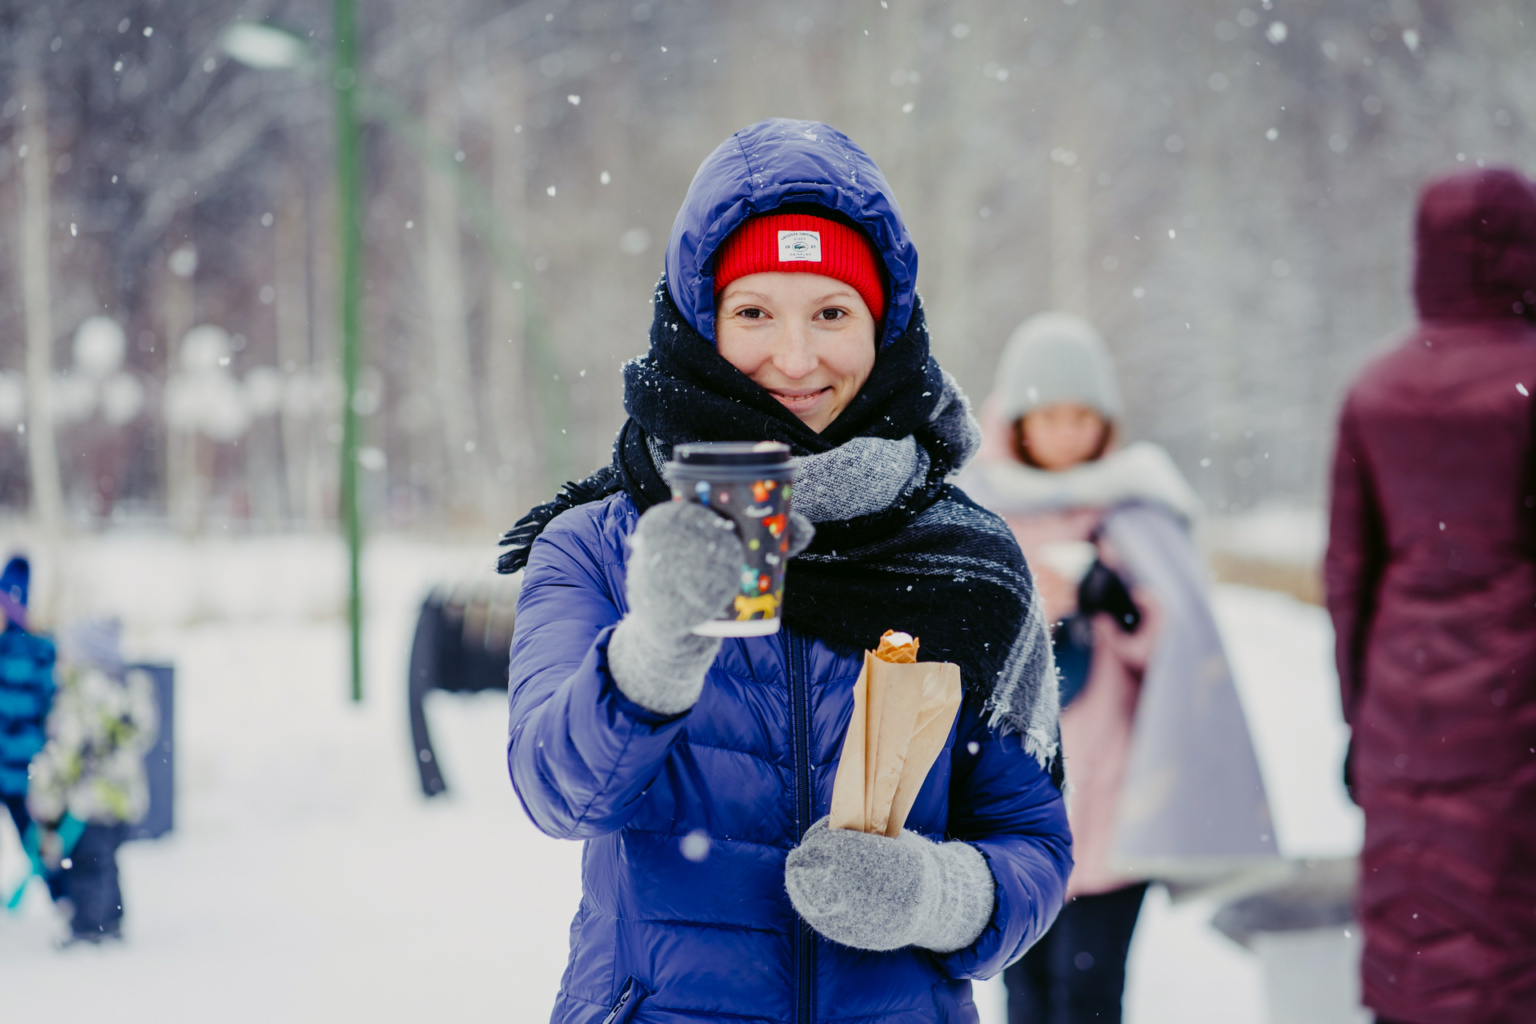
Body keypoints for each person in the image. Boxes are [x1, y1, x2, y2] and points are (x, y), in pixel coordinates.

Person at [497, 118, 1071, 1023]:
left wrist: (931, 893)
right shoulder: (599, 545)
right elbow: (555, 789)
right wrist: (653, 651)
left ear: (883, 329)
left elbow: (1032, 845)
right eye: (754, 312)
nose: (795, 359)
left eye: (832, 313)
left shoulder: (971, 562)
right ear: (698, 324)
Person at [961, 313, 1269, 1024]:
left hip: (1113, 800)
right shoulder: (981, 511)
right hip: (1013, 799)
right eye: (1050, 416)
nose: (1067, 433)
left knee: (1091, 993)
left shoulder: (1137, 510)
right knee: (1026, 991)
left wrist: (1121, 603)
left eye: (1083, 417)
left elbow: (1182, 650)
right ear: (1019, 420)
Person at [1325, 167, 1536, 1024]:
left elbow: (1347, 577)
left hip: (1404, 724)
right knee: (1507, 945)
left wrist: (1358, 717)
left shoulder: (1376, 392)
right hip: (1515, 718)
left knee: (1418, 939)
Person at [27, 618, 158, 945]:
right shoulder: (125, 687)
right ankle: (111, 919)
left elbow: (66, 749)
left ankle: (88, 927)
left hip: (90, 798)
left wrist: (48, 787)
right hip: (122, 796)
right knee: (108, 863)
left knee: (87, 865)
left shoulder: (82, 693)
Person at [0, 555, 56, 880]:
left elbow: (49, 702)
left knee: (33, 837)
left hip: (22, 767)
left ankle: (62, 895)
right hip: (14, 764)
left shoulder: (38, 650)